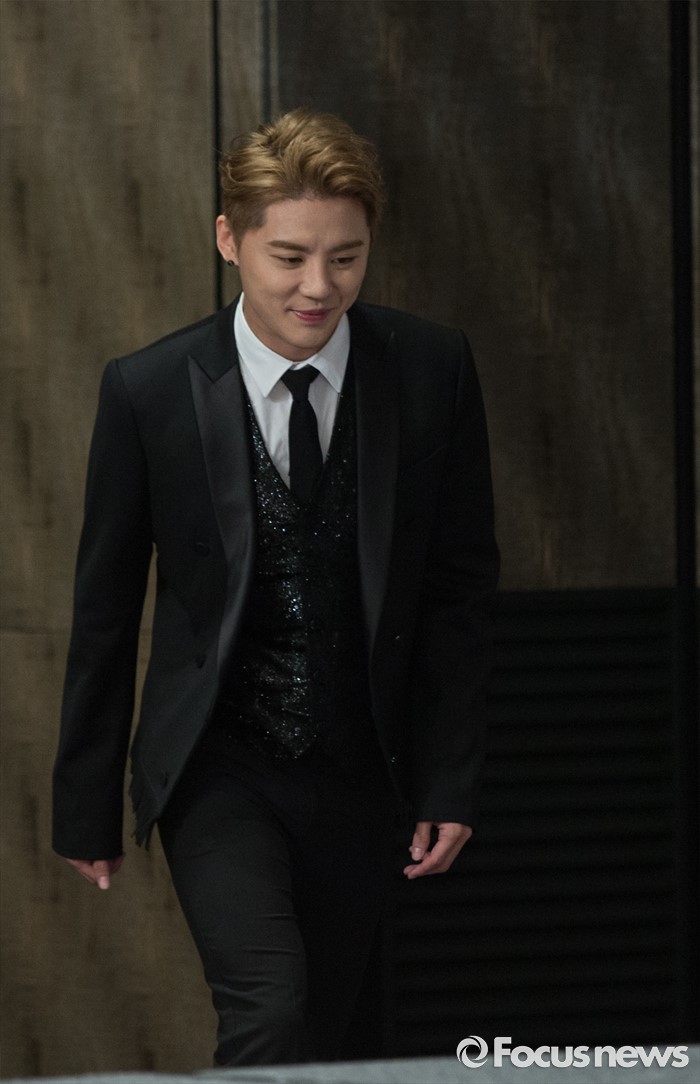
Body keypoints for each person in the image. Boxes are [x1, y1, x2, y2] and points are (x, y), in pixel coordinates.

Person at [53, 108, 499, 1067]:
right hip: (218, 765)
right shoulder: (148, 389)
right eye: (290, 256)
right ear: (229, 239)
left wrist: (451, 778)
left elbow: (460, 592)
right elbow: (105, 608)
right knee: (270, 1008)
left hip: (366, 765)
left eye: (347, 257)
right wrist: (86, 801)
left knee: (327, 1037)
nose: (318, 286)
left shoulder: (431, 370)